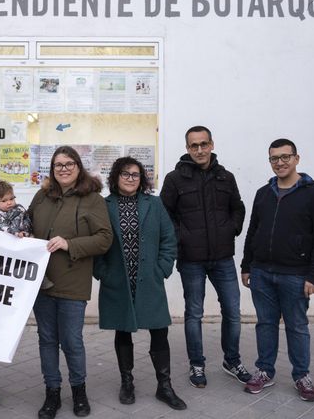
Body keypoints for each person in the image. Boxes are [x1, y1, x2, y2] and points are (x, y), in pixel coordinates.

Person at [240, 138, 314, 402]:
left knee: (297, 327)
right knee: (265, 324)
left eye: (285, 157)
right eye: (274, 158)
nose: (279, 163)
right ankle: (264, 371)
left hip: (296, 275)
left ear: (296, 159)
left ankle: (302, 375)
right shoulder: (263, 193)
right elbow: (253, 232)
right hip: (262, 273)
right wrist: (247, 266)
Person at [159, 125, 249, 388]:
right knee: (194, 314)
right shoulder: (175, 179)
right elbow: (166, 216)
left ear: (211, 144)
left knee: (233, 311)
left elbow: (238, 207)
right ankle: (197, 364)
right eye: (193, 145)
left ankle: (231, 360)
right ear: (187, 148)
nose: (199, 149)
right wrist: (181, 238)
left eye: (203, 144)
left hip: (223, 257)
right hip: (191, 259)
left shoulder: (226, 177)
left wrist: (230, 229)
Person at [94, 157, 187, 410]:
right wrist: (102, 271)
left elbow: (169, 239)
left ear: (142, 179)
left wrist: (162, 269)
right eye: (125, 174)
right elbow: (96, 241)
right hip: (118, 280)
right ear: (115, 177)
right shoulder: (104, 206)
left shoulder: (154, 204)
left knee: (159, 330)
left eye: (135, 174)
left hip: (149, 279)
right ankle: (127, 382)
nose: (130, 178)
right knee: (123, 331)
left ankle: (164, 386)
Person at [28, 146, 113, 419]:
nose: (63, 169)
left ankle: (79, 391)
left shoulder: (93, 199)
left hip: (73, 282)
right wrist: (20, 232)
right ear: (52, 170)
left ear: (79, 167)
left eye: (69, 164)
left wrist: (70, 244)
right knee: (47, 340)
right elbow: (27, 226)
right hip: (41, 282)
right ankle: (52, 392)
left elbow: (104, 239)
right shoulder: (42, 197)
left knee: (72, 342)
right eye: (58, 165)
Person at [0, 180, 53, 289]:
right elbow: (1, 226)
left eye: (11, 198)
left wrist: (26, 232)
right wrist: (15, 233)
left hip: (22, 240)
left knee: (31, 261)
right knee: (8, 268)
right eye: (4, 200)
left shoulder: (19, 208)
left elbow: (27, 221)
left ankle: (41, 279)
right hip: (5, 247)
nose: (9, 202)